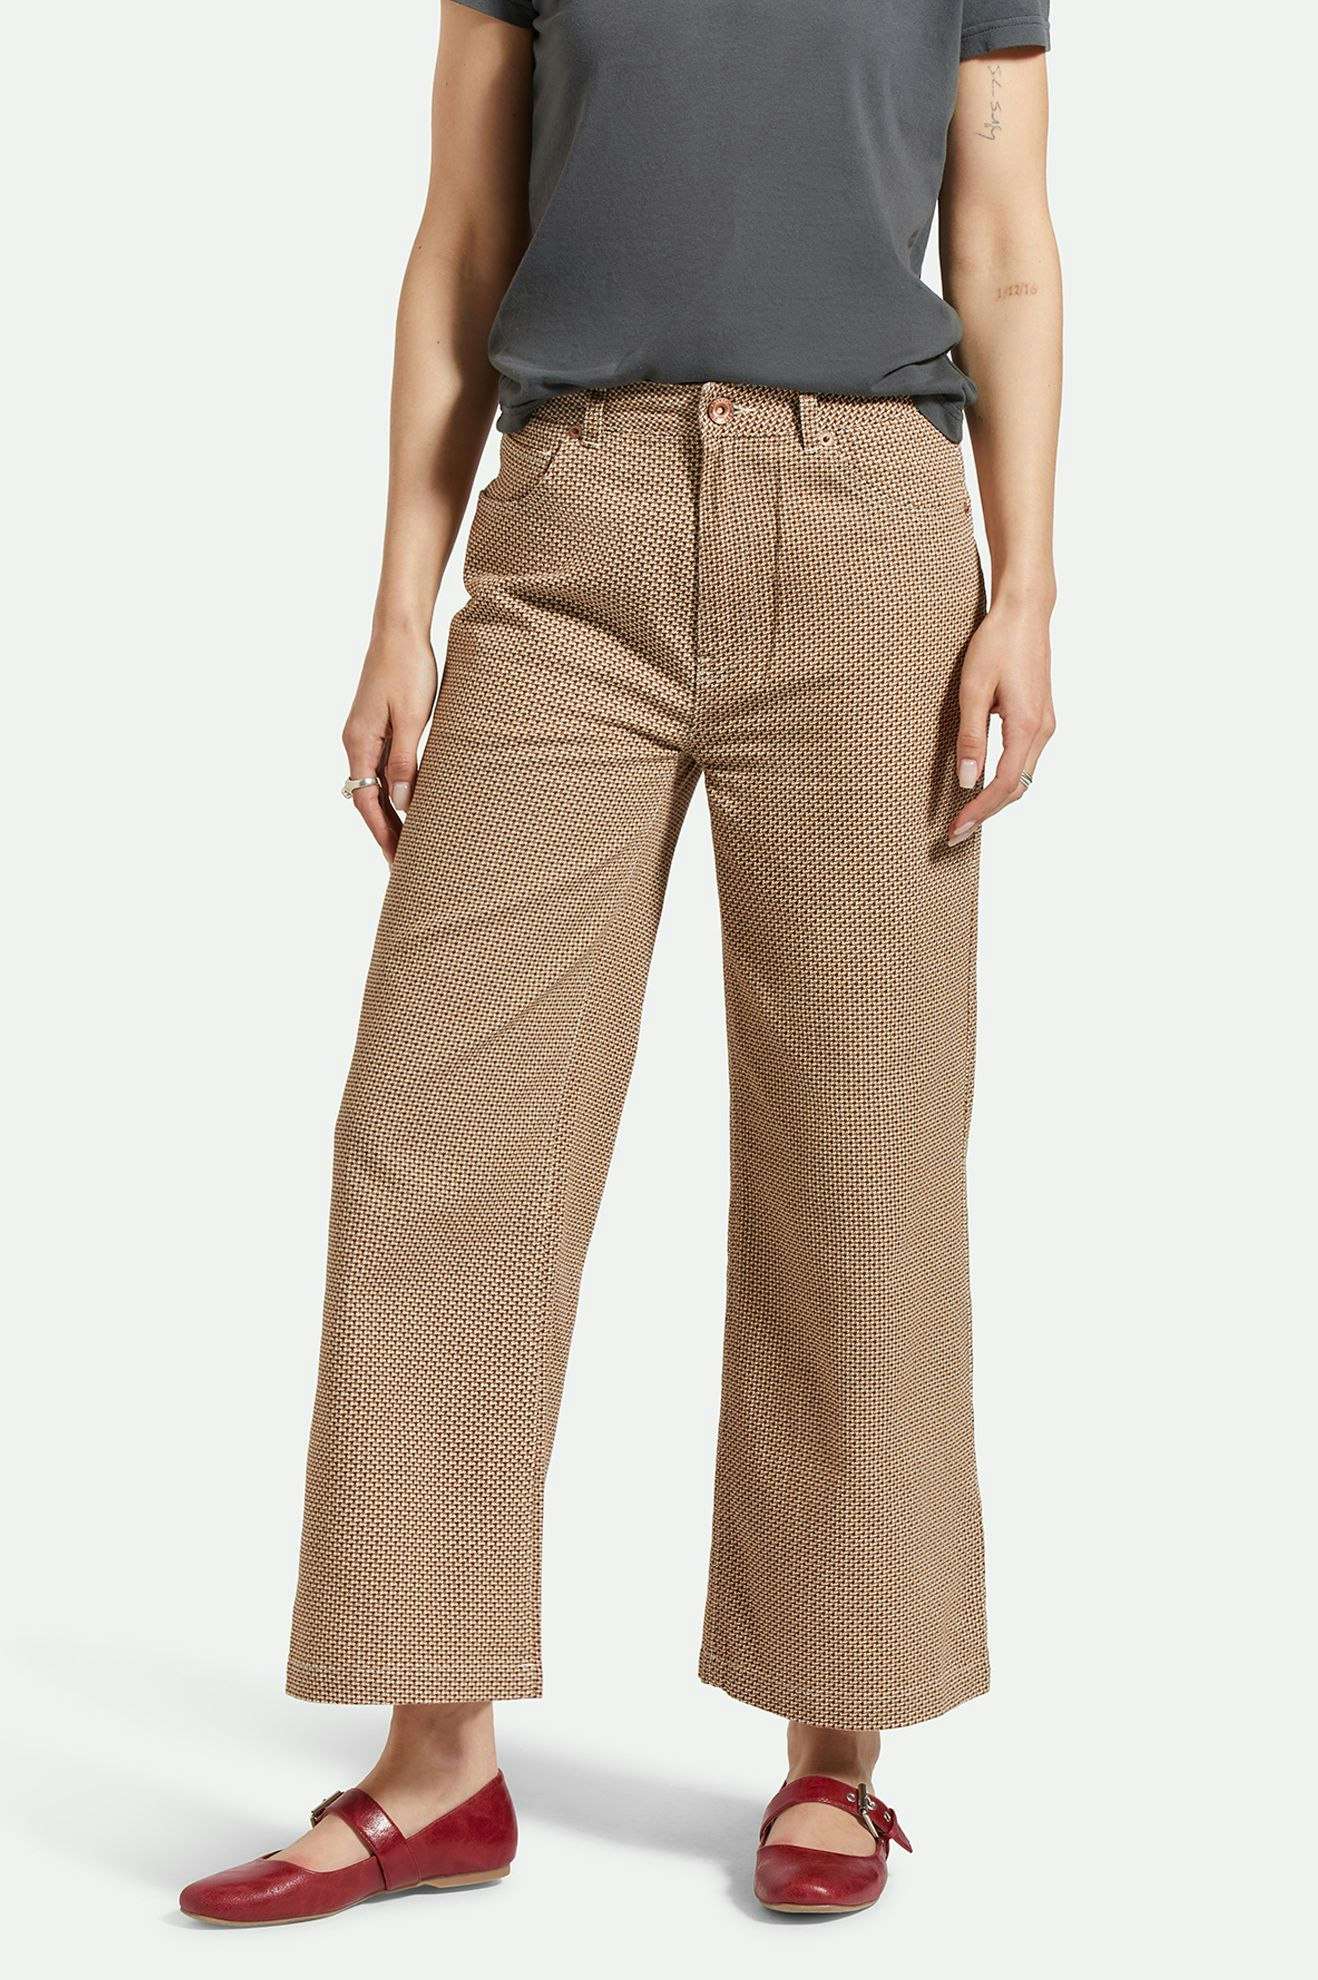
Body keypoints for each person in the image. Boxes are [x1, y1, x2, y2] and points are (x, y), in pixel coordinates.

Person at [181, 0, 1060, 1926]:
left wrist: (1029, 588)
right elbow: (460, 236)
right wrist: (400, 606)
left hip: (870, 524)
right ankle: (437, 1766)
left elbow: (1000, 240)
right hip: (571, 523)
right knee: (435, 1134)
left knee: (858, 1152)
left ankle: (835, 1749)